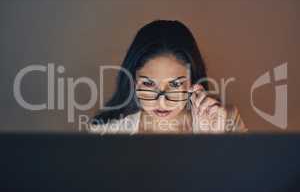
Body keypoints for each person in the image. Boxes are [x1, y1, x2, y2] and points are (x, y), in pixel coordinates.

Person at [88, 20, 247, 134]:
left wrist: (212, 142)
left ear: (193, 82)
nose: (162, 102)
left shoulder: (227, 120)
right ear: (133, 81)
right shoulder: (104, 131)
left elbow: (248, 180)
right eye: (149, 84)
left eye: (176, 84)